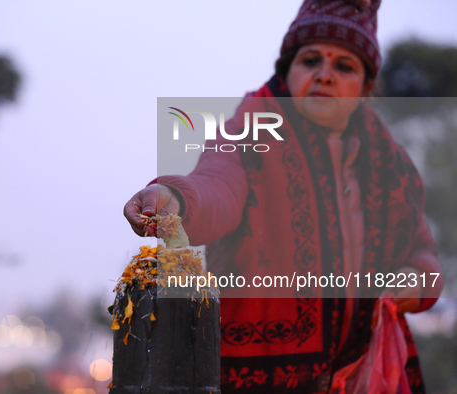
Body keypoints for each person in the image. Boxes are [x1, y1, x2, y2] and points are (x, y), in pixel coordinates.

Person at [124, 0, 443, 392]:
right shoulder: (251, 128)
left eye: (344, 66)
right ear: (287, 70)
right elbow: (218, 185)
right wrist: (177, 200)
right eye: (311, 61)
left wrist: (417, 281)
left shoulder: (391, 162)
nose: (325, 75)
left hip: (369, 372)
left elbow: (421, 251)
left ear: (365, 87)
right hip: (259, 378)